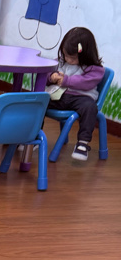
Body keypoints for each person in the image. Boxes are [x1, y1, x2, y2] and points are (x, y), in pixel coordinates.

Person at [46, 27, 104, 161]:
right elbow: (48, 71)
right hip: (59, 97)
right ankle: (33, 135)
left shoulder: (95, 69)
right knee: (39, 102)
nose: (67, 59)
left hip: (81, 98)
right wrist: (51, 76)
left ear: (85, 54)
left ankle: (82, 143)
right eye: (65, 55)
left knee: (90, 107)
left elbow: (85, 82)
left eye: (72, 57)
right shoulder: (61, 61)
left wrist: (66, 80)